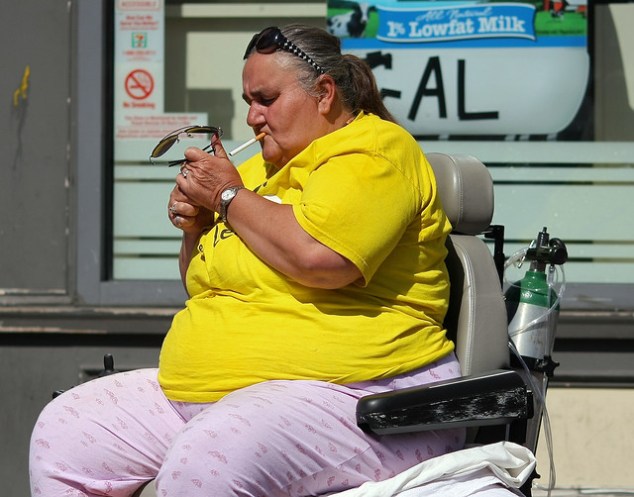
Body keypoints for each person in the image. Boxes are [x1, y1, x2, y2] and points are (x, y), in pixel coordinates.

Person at [29, 24, 465, 497]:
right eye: (248, 102)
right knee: (65, 434)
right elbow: (202, 282)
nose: (253, 117)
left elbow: (321, 257)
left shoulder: (374, 151)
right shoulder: (255, 170)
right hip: (211, 397)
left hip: (358, 396)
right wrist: (196, 227)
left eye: (267, 99)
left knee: (206, 463)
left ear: (323, 94)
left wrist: (226, 196)